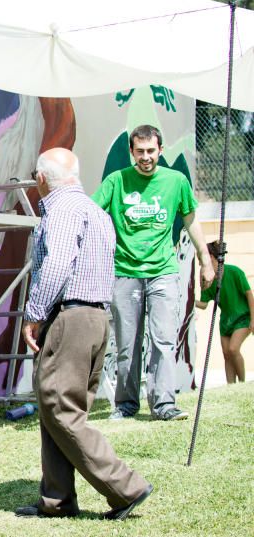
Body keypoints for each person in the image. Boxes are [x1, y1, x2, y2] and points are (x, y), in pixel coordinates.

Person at [16, 148, 152, 520]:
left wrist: (34, 313)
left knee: (59, 407)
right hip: (96, 317)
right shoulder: (96, 211)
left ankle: (126, 488)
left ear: (42, 178)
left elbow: (58, 263)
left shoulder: (60, 210)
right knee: (58, 407)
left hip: (71, 317)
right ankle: (57, 500)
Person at [92, 124, 214, 421]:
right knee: (127, 343)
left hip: (163, 271)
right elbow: (92, 213)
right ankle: (126, 405)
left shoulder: (176, 181)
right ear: (131, 152)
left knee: (163, 339)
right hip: (125, 272)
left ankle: (164, 405)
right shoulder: (116, 181)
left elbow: (190, 219)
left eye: (151, 151)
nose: (145, 157)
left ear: (160, 149)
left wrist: (205, 258)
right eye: (140, 151)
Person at [196, 241, 253, 383]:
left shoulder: (234, 271)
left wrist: (253, 319)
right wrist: (187, 300)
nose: (199, 264)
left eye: (200, 259)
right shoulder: (208, 279)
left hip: (243, 317)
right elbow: (203, 304)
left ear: (210, 256)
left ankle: (242, 384)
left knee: (233, 349)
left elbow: (249, 295)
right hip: (226, 321)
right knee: (226, 353)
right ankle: (230, 386)